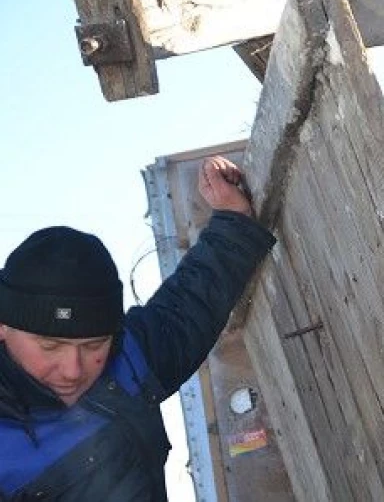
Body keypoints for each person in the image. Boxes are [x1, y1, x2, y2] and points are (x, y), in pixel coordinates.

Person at [0, 156, 275, 501]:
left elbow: (188, 310)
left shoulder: (127, 361)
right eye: (50, 346)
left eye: (93, 345)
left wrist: (232, 220)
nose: (73, 370)